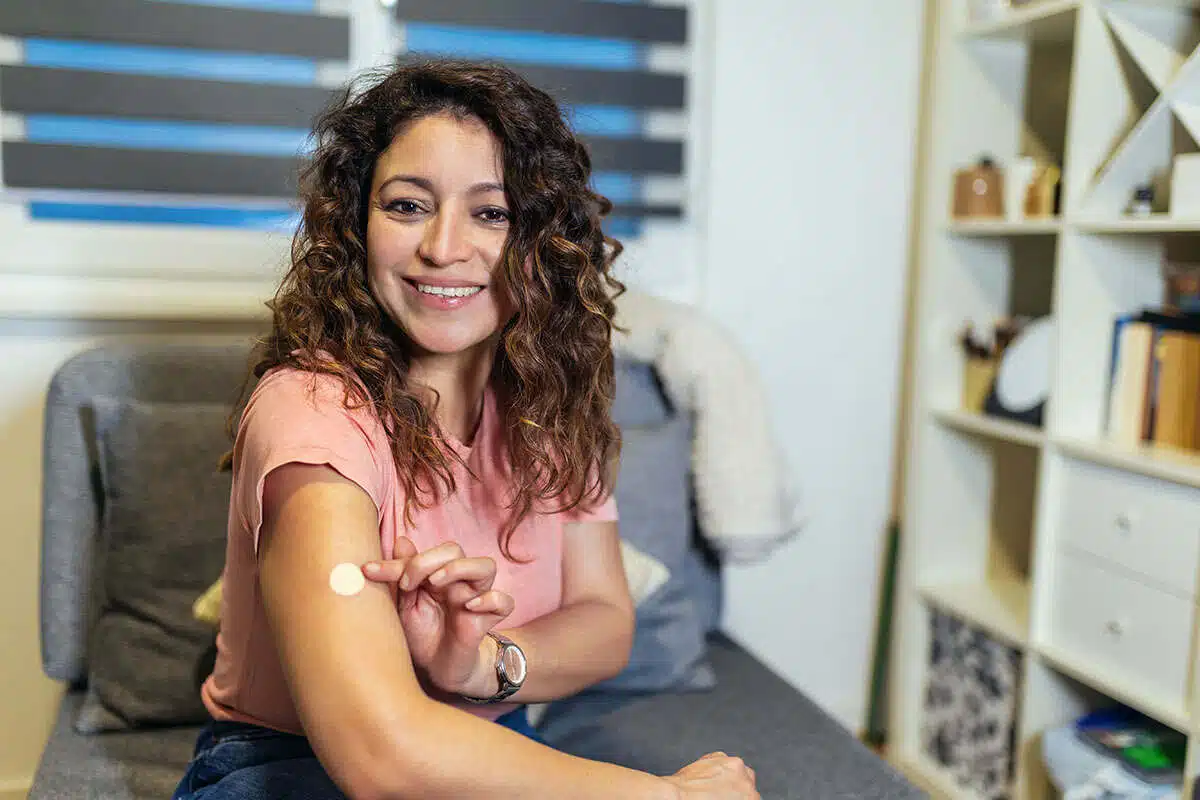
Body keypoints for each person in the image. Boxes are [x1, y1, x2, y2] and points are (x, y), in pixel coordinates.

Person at [170, 59, 758, 799]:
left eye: (492, 213)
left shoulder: (550, 404)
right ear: (357, 224)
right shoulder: (313, 413)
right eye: (408, 206)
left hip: (484, 741)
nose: (444, 248)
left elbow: (605, 619)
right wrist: (665, 796)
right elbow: (379, 758)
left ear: (543, 239)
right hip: (292, 769)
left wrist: (483, 663)